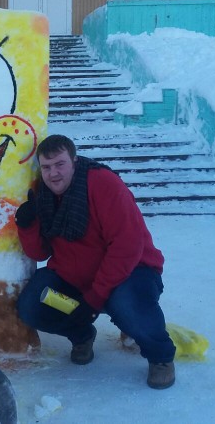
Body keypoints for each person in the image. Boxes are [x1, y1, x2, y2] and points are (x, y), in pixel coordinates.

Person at [14, 134, 177, 389]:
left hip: (129, 272)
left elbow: (127, 246)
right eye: (46, 167)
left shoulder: (103, 184)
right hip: (74, 278)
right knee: (33, 304)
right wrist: (27, 226)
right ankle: (81, 335)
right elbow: (40, 253)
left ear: (74, 161)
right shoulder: (42, 194)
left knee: (127, 305)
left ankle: (161, 357)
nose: (53, 173)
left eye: (60, 164)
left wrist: (94, 298)